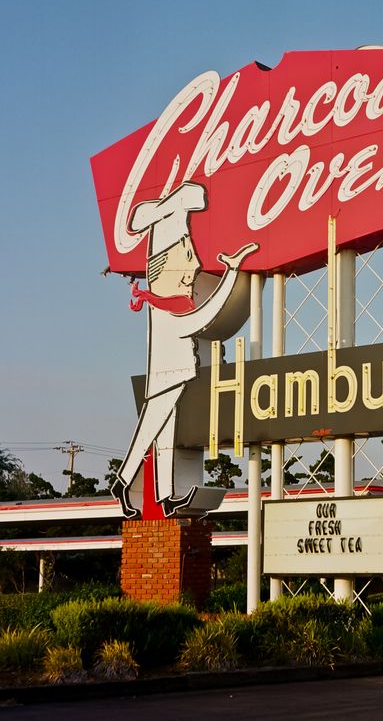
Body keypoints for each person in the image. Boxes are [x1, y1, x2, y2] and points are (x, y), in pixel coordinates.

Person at [110, 180, 257, 518]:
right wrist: (232, 274)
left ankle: (160, 495)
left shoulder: (170, 300)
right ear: (167, 269)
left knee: (164, 437)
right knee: (154, 431)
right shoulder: (168, 304)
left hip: (177, 373)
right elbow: (206, 315)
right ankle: (126, 483)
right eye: (187, 256)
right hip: (167, 375)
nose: (193, 265)